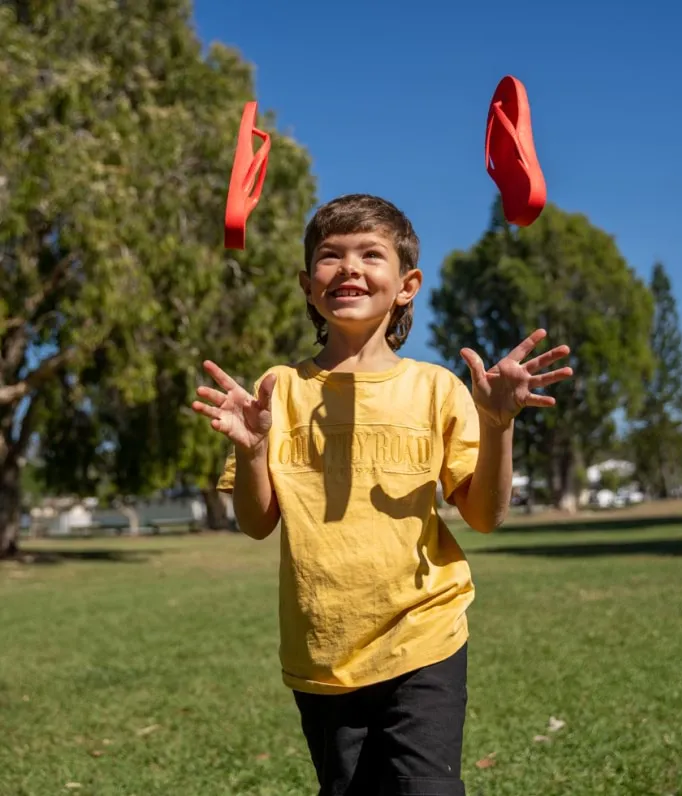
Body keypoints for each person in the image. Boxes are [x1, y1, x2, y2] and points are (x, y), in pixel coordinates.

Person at [192, 194, 572, 795]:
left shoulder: (436, 388)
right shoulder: (278, 390)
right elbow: (258, 522)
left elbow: (484, 514)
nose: (349, 267)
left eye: (371, 254)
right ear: (307, 283)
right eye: (330, 255)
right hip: (322, 648)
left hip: (424, 631)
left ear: (406, 284)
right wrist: (252, 448)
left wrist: (498, 425)